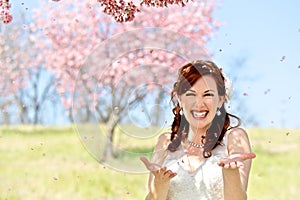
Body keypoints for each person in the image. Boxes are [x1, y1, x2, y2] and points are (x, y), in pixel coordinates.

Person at [140, 60, 256, 200]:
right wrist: (160, 185)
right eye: (191, 94)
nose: (199, 104)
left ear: (220, 99)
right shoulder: (166, 141)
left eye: (207, 95)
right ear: (180, 99)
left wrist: (230, 172)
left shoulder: (235, 138)